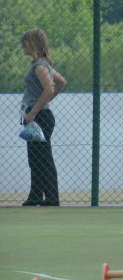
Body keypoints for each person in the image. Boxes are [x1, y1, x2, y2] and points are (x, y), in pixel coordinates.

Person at [20, 28, 67, 207]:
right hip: (41, 114)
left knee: (41, 157)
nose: (22, 46)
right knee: (37, 157)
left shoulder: (39, 65)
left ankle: (50, 197)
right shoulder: (44, 64)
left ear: (33, 43)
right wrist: (45, 103)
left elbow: (50, 88)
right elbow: (62, 82)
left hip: (38, 116)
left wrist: (33, 112)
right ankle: (37, 195)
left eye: (25, 42)